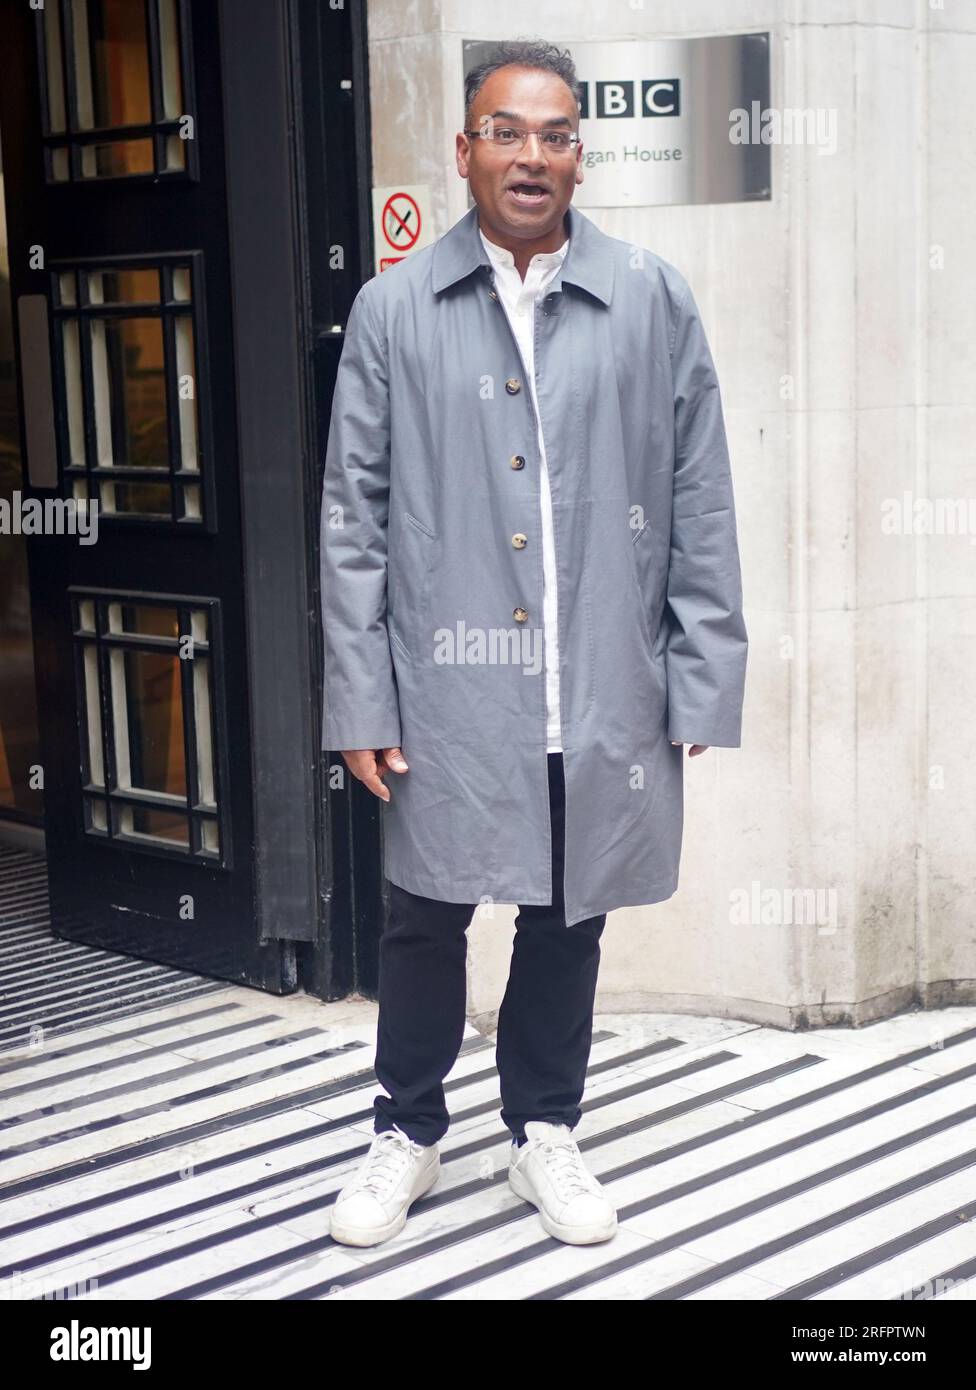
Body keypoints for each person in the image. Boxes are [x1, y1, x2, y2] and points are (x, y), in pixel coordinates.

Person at [319, 39, 748, 1249]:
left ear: (579, 155)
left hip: (596, 679)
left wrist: (698, 674)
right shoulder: (395, 309)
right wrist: (361, 698)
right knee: (424, 911)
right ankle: (405, 1129)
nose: (530, 155)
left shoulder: (650, 297)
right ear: (464, 151)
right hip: (445, 686)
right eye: (505, 132)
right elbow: (351, 518)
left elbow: (700, 495)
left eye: (554, 134)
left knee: (570, 915)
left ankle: (542, 1129)